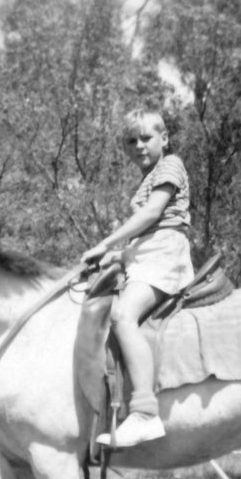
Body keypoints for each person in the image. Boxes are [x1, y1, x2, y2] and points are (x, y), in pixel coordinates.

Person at [82, 109, 195, 448]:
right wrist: (117, 255)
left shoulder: (171, 165)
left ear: (165, 138)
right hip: (146, 252)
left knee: (123, 315)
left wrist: (106, 243)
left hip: (165, 253)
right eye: (131, 141)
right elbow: (143, 234)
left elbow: (153, 214)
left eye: (146, 138)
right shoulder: (146, 178)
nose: (139, 146)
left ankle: (145, 413)